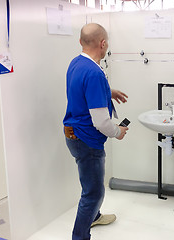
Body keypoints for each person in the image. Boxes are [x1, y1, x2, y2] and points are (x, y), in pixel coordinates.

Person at [63, 23, 129, 240]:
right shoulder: (94, 73)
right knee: (93, 193)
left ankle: (95, 216)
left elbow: (82, 89)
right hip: (87, 139)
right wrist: (118, 132)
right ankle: (80, 236)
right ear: (103, 44)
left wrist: (108, 92)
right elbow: (101, 122)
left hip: (74, 134)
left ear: (81, 42)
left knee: (90, 186)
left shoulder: (77, 63)